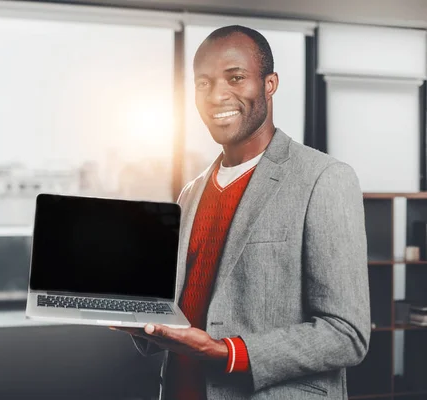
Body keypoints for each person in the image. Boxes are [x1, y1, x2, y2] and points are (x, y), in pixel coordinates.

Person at [112, 25, 370, 399]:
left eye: (235, 78)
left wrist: (228, 352)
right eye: (203, 83)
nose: (217, 95)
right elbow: (188, 307)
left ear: (270, 84)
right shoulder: (190, 193)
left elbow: (347, 335)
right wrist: (141, 319)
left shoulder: (325, 179)